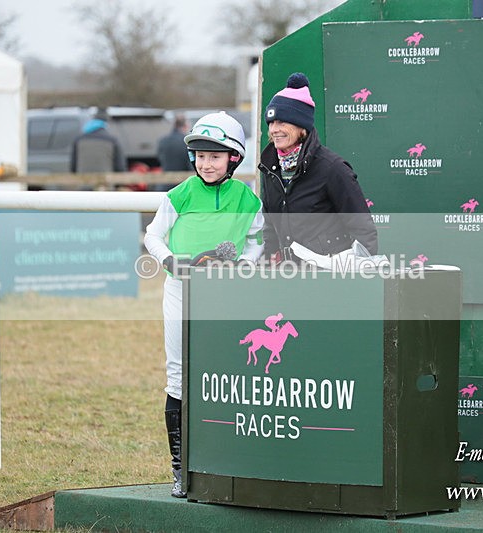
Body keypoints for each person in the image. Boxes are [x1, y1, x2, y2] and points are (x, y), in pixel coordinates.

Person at [144, 111, 264, 498]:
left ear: (234, 158)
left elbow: (256, 242)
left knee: (225, 373)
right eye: (200, 156)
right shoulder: (179, 194)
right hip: (181, 291)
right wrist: (170, 261)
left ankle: (226, 461)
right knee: (179, 374)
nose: (206, 164)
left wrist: (242, 267)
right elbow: (152, 235)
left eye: (215, 156)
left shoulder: (247, 199)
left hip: (224, 296)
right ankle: (180, 468)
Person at [259, 72, 378, 262]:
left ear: (302, 126)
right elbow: (270, 228)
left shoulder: (332, 168)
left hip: (328, 273)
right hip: (288, 273)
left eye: (282, 122)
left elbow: (364, 231)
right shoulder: (270, 169)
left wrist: (357, 272)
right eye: (271, 123)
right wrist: (270, 260)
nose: (274, 129)